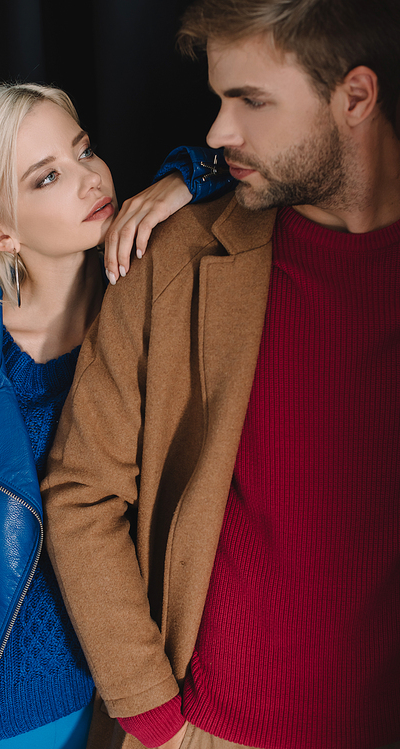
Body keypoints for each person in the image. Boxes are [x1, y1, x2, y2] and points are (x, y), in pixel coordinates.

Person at [42, 1, 400, 748]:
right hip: (202, 730)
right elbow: (82, 487)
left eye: (251, 101)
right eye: (218, 97)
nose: (216, 131)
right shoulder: (172, 257)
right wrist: (151, 714)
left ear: (356, 98)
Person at [0, 81, 230, 749]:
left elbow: (251, 170)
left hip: (133, 700)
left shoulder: (146, 313)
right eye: (48, 176)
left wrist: (181, 181)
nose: (90, 179)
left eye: (84, 151)